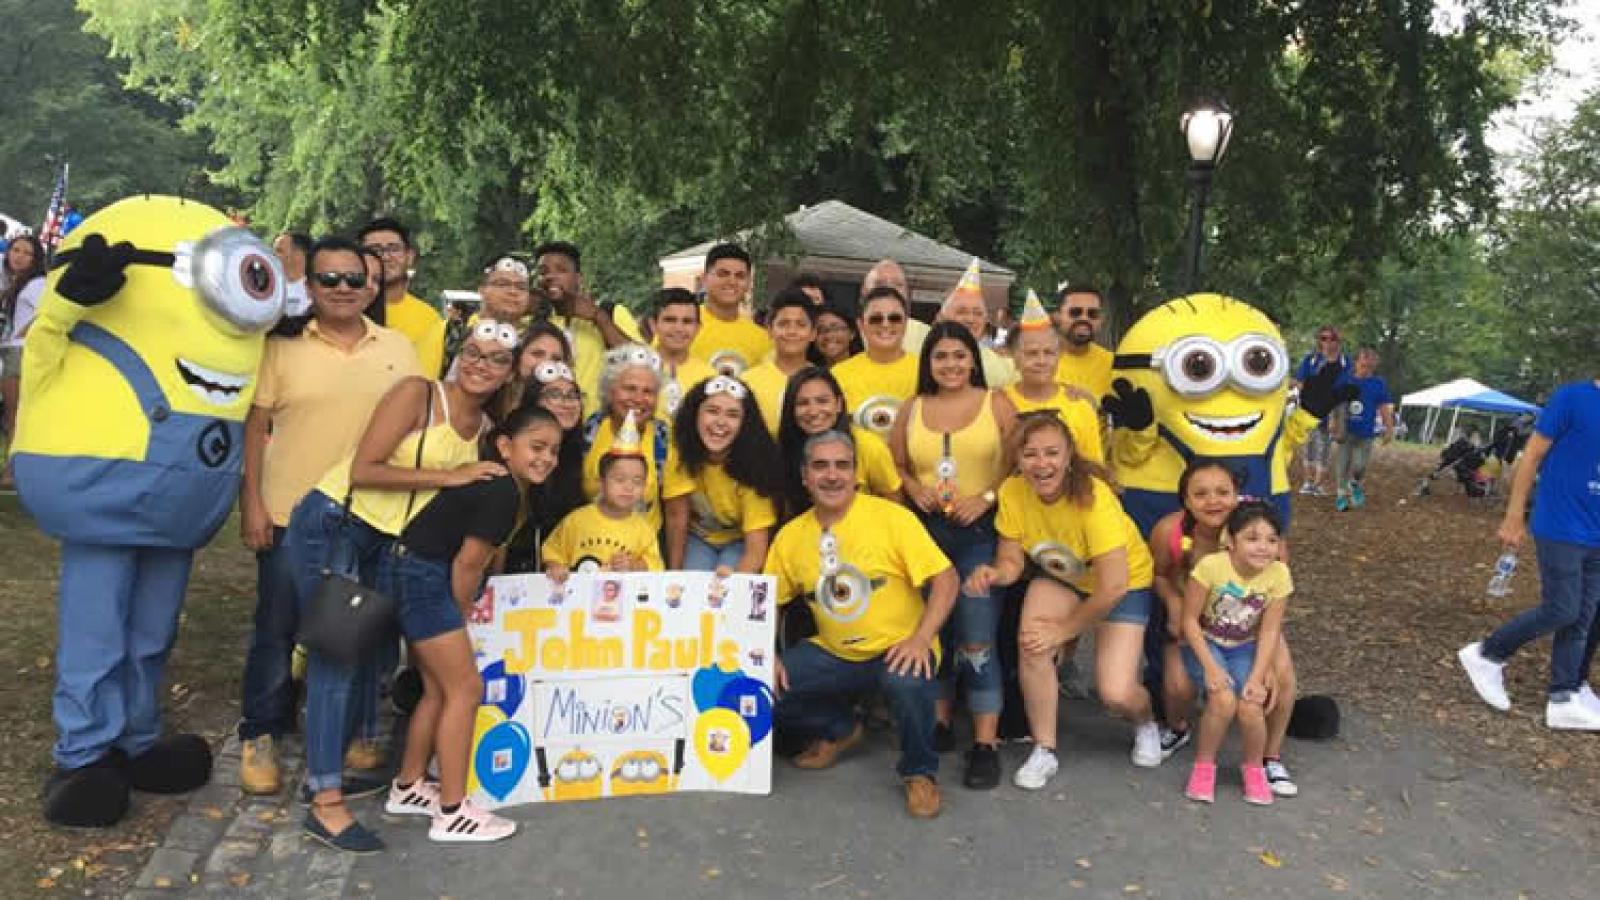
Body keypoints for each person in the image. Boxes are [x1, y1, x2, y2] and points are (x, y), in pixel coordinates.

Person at [287, 322, 513, 852]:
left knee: (367, 659)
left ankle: (330, 772)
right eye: (474, 352)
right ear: (459, 354)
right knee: (335, 662)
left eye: (497, 358)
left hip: (386, 543)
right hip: (337, 522)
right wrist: (449, 477)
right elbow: (365, 468)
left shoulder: (482, 424)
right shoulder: (420, 393)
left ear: (508, 372)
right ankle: (326, 804)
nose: (482, 364)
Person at [237, 237, 422, 796]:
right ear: (310, 287)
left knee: (362, 628)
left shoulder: (399, 348)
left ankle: (359, 729)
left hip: (372, 514)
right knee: (279, 625)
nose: (343, 289)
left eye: (353, 279)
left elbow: (416, 429)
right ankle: (262, 730)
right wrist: (252, 502)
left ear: (371, 286)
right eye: (329, 279)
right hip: (292, 509)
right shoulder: (282, 348)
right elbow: (254, 429)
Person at [378, 407, 562, 844]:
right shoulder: (501, 491)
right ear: (504, 446)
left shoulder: (501, 486)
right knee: (466, 689)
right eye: (537, 447)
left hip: (409, 568)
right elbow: (468, 564)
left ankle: (408, 786)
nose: (547, 458)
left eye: (554, 451)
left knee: (439, 689)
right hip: (426, 579)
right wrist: (459, 617)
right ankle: (452, 811)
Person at [766, 430, 958, 818]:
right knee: (758, 687)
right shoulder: (790, 537)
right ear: (805, 476)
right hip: (834, 652)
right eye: (820, 466)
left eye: (842, 465)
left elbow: (947, 578)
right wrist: (766, 654)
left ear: (855, 473)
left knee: (907, 681)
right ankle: (840, 728)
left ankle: (919, 773)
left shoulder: (892, 518)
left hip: (898, 647)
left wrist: (922, 639)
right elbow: (769, 603)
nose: (832, 475)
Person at [965, 414, 1161, 790]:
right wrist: (996, 574)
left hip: (1122, 583)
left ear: (1069, 454)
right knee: (1033, 641)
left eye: (1052, 453)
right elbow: (1012, 559)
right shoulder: (1012, 491)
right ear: (1018, 460)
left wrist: (1065, 630)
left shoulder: (1094, 496)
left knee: (1116, 693)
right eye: (1031, 454)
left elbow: (1113, 586)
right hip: (1065, 576)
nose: (1042, 464)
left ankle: (1146, 721)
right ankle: (1045, 749)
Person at [889, 321, 1016, 789]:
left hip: (979, 531)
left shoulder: (996, 404)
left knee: (977, 634)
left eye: (960, 356)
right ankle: (941, 720)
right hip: (926, 533)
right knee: (933, 626)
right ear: (928, 363)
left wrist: (985, 497)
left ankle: (985, 742)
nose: (951, 365)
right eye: (940, 357)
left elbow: (1018, 463)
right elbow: (896, 462)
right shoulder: (912, 408)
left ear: (974, 359)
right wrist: (913, 487)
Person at [1150, 460, 1299, 796]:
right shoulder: (1171, 532)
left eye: (1222, 492)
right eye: (1200, 494)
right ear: (1185, 500)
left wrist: (1269, 665)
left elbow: (1271, 599)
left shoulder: (1257, 532)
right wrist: (1174, 601)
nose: (1212, 501)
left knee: (1284, 675)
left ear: (1237, 495)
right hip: (1196, 625)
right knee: (1178, 686)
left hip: (1251, 624)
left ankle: (1269, 757)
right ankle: (1178, 728)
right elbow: (1157, 574)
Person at [1460, 377, 1600, 731]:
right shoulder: (1573, 397)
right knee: (1562, 608)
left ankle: (1565, 695)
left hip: (1595, 532)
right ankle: (1487, 654)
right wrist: (1513, 514)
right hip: (1560, 525)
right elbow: (1532, 456)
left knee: (1582, 616)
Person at [1180, 501, 1293, 806]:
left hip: (1244, 647)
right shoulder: (1211, 567)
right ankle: (1204, 766)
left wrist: (1258, 676)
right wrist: (1210, 668)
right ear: (1231, 540)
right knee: (1222, 699)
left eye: (1272, 540)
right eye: (1252, 538)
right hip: (1206, 643)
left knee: (1252, 704)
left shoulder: (1279, 575)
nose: (1263, 548)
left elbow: (1269, 631)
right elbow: (1189, 620)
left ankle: (1254, 769)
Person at [663, 376, 781, 572]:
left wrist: (730, 588)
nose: (720, 422)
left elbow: (755, 552)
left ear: (745, 424)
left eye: (733, 415)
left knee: (722, 588)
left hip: (740, 540)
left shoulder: (757, 465)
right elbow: (677, 518)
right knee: (694, 584)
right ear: (695, 414)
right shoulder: (680, 451)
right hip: (698, 538)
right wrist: (675, 576)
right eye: (712, 411)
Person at [544, 411, 665, 577]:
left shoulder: (644, 530)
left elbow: (655, 566)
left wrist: (634, 565)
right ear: (601, 482)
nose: (629, 487)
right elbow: (552, 550)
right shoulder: (576, 520)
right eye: (620, 479)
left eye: (637, 481)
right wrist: (555, 566)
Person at [776, 366, 902, 521]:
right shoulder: (783, 450)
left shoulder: (868, 446)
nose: (813, 411)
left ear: (839, 405)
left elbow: (894, 506)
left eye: (822, 401)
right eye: (802, 403)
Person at [536, 240, 641, 416]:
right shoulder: (536, 321)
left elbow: (641, 362)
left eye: (561, 270)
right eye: (543, 272)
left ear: (578, 278)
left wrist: (599, 319)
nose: (550, 276)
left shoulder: (611, 313)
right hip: (548, 424)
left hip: (598, 426)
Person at [582, 343, 676, 530]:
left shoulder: (664, 437)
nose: (639, 398)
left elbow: (676, 511)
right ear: (610, 391)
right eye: (630, 389)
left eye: (648, 391)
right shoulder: (591, 430)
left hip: (644, 544)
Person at [1002, 290, 1103, 463]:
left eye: (1049, 353)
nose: (1041, 361)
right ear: (1014, 357)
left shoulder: (1078, 405)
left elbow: (1093, 465)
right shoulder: (999, 402)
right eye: (1031, 353)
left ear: (1059, 356)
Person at [358, 217, 444, 377]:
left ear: (410, 256)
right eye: (375, 250)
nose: (385, 257)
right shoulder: (347, 310)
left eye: (393, 249)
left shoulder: (429, 318)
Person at [832, 286, 920, 426]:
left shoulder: (926, 371)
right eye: (876, 319)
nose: (885, 324)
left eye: (894, 318)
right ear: (860, 324)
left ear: (906, 322)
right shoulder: (838, 375)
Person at [742, 287, 820, 436]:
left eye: (801, 325)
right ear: (770, 330)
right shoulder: (748, 382)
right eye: (783, 324)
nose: (792, 332)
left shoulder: (824, 381)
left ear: (813, 333)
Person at [0, 233, 45, 485]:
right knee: (11, 413)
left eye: (27, 253)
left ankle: (12, 472)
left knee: (15, 413)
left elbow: (45, 315)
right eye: (16, 250)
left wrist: (20, 334)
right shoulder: (16, 282)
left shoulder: (37, 283)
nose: (19, 256)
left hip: (21, 351)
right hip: (11, 350)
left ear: (35, 259)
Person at [688, 243, 771, 374]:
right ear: (704, 279)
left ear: (749, 283)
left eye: (740, 276)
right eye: (723, 274)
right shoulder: (681, 326)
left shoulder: (762, 339)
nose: (732, 282)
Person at [1331, 348, 1394, 512]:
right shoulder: (1345, 380)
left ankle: (1354, 484)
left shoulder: (1378, 383)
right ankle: (1341, 495)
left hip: (1366, 432)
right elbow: (1334, 402)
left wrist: (1389, 428)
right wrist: (1333, 421)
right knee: (1342, 464)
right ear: (1356, 363)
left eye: (1370, 366)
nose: (1366, 369)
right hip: (1345, 430)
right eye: (1363, 365)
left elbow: (1384, 407)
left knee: (1360, 465)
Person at [935, 259, 1015, 388]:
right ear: (940, 318)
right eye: (961, 312)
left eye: (978, 313)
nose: (970, 319)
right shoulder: (919, 352)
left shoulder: (1001, 365)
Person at [1293, 326, 1348, 496]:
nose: (1327, 342)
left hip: (1330, 410)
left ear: (1338, 341)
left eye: (1331, 338)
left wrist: (1336, 417)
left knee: (1323, 448)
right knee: (1308, 447)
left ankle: (1318, 485)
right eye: (1323, 338)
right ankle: (1308, 482)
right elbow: (1298, 382)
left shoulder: (1344, 363)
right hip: (1308, 410)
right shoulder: (1310, 360)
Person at [650, 288, 716, 420]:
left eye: (687, 321)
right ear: (653, 325)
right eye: (670, 320)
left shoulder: (709, 377)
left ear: (698, 328)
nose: (678, 329)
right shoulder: (632, 368)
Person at [1053, 283, 1113, 403]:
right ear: (1057, 317)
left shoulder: (1113, 365)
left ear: (1101, 320)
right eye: (1075, 312)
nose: (1084, 318)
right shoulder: (1036, 361)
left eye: (1092, 314)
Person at [860, 258, 930, 354]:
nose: (889, 288)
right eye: (880, 283)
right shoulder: (845, 333)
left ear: (908, 294)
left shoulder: (926, 335)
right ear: (864, 291)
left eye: (898, 284)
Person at [271, 231, 312, 317]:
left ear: (298, 254)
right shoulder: (267, 289)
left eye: (279, 251)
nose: (272, 255)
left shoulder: (323, 289)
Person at [812, 302, 862, 367]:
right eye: (821, 330)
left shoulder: (868, 369)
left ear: (852, 333)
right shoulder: (809, 374)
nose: (828, 336)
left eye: (835, 328)